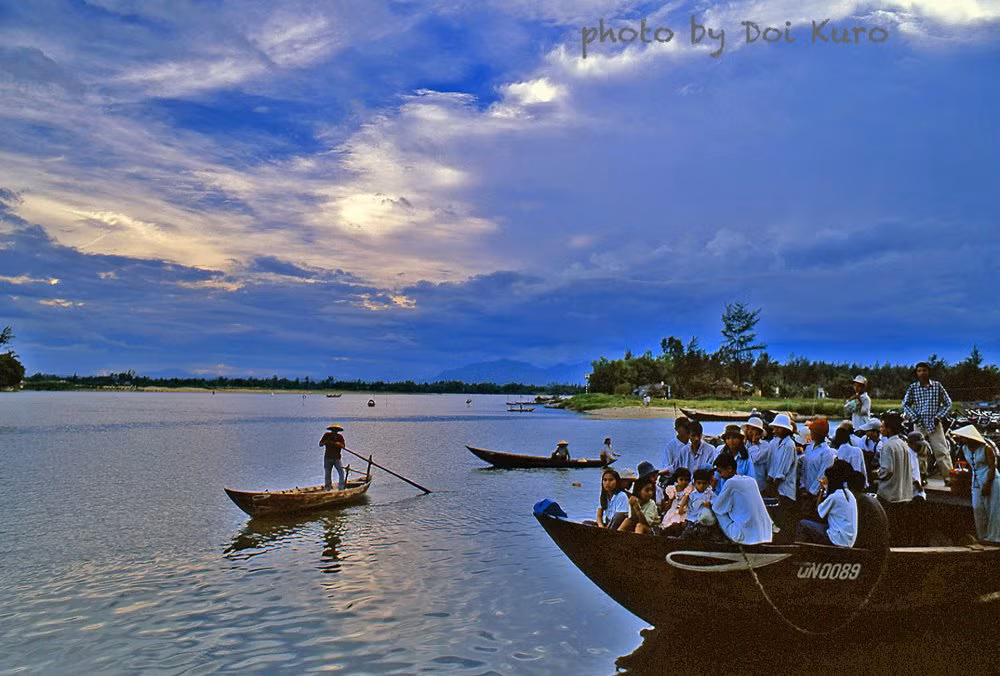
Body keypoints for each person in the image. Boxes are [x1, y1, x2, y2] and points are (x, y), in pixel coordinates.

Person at [902, 362, 954, 482]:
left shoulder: (937, 386)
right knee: (919, 450)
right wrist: (914, 417)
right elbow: (905, 404)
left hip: (934, 423)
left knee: (941, 450)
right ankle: (921, 476)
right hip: (919, 423)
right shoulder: (913, 387)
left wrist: (938, 416)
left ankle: (949, 477)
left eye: (924, 370)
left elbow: (948, 403)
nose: (922, 373)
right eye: (919, 371)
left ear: (928, 372)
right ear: (916, 373)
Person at [709, 453, 773, 544]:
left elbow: (717, 507)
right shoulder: (751, 480)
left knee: (716, 510)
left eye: (720, 472)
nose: (719, 476)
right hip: (766, 534)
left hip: (745, 536)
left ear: (729, 469)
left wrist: (710, 500)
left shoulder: (731, 483)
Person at [953, 425, 1000, 542]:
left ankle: (994, 538)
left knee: (993, 509)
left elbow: (992, 467)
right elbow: (970, 467)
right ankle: (982, 536)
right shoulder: (965, 449)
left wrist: (988, 484)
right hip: (976, 481)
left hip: (991, 479)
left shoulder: (986, 448)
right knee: (978, 508)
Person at [795, 459, 858, 547]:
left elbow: (818, 512)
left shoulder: (835, 496)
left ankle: (800, 554)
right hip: (847, 539)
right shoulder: (849, 494)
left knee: (803, 524)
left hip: (837, 539)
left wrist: (822, 489)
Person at [765, 413, 798, 541]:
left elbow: (782, 470)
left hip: (784, 489)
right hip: (775, 486)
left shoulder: (789, 445)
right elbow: (772, 464)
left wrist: (774, 485)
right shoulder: (775, 443)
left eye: (778, 428)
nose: (775, 430)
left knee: (784, 517)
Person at [876, 413, 914, 504]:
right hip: (904, 495)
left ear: (889, 429)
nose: (880, 430)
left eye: (882, 427)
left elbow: (887, 469)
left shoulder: (888, 446)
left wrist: (878, 473)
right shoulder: (903, 444)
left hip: (890, 495)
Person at [799, 418, 836, 506]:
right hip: (805, 491)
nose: (810, 433)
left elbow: (823, 475)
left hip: (818, 495)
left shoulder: (827, 452)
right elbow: (804, 469)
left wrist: (812, 493)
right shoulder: (809, 448)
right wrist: (802, 486)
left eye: (812, 431)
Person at [619, 462, 660, 534]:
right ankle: (616, 536)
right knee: (627, 520)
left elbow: (646, 523)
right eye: (647, 491)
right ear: (638, 492)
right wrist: (633, 506)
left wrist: (637, 509)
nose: (650, 493)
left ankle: (636, 543)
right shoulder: (634, 499)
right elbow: (632, 518)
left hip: (651, 529)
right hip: (638, 523)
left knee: (639, 526)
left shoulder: (651, 503)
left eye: (651, 490)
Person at [679, 468, 716, 538]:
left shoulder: (710, 493)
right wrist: (681, 508)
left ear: (708, 483)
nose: (701, 486)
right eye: (699, 483)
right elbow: (686, 504)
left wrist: (710, 504)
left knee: (704, 534)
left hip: (704, 520)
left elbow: (716, 502)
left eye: (704, 483)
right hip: (691, 518)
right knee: (687, 534)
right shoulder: (692, 494)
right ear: (694, 483)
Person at [659, 467, 693, 536]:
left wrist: (681, 507)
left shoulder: (688, 488)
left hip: (683, 509)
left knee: (680, 524)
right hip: (674, 508)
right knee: (670, 523)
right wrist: (665, 510)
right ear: (676, 480)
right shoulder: (672, 489)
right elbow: (670, 502)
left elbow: (685, 498)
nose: (684, 482)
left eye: (686, 480)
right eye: (681, 479)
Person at [658, 417, 691, 486]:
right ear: (677, 429)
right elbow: (666, 465)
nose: (687, 430)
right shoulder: (671, 446)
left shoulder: (692, 444)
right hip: (676, 480)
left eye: (688, 427)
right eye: (685, 427)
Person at [744, 416, 771, 492]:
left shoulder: (765, 446)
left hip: (759, 482)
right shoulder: (744, 444)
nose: (750, 432)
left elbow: (754, 458)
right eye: (748, 429)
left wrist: (754, 443)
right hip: (745, 481)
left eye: (753, 429)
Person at [320, 423, 347, 490]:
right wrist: (326, 442)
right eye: (333, 430)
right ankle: (328, 487)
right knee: (327, 473)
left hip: (337, 458)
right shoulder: (327, 435)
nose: (334, 431)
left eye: (336, 430)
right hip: (327, 458)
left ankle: (341, 487)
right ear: (331, 430)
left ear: (338, 431)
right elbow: (320, 444)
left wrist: (339, 444)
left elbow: (343, 446)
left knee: (341, 472)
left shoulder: (340, 437)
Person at [857, 420, 883, 487]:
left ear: (875, 432)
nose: (866, 432)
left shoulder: (882, 442)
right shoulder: (863, 439)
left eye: (868, 431)